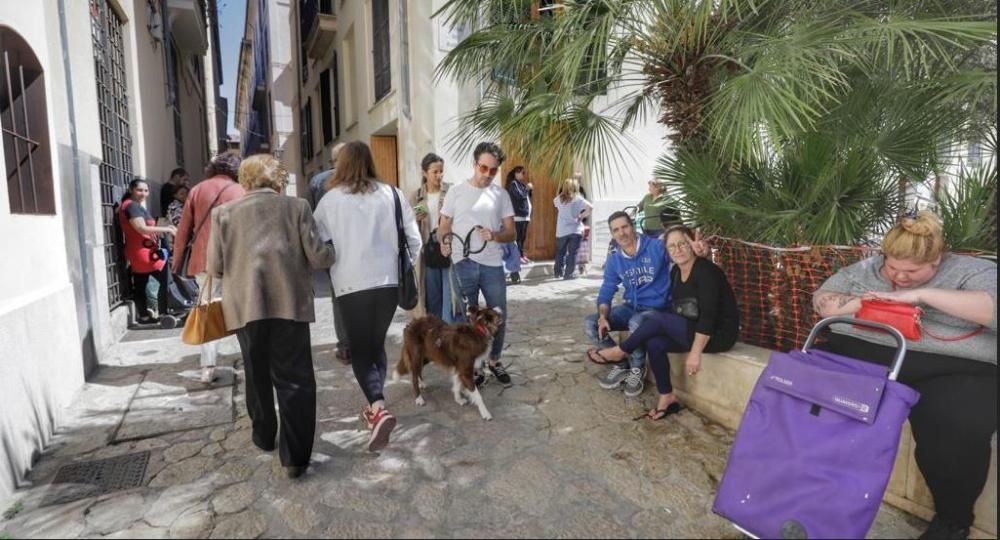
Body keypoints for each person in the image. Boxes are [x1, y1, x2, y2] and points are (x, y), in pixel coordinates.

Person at [812, 211, 996, 540]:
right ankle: (812, 493)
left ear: (937, 258)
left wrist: (920, 296)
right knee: (814, 410)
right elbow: (823, 302)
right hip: (865, 357)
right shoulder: (866, 270)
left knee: (955, 431)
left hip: (950, 367)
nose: (900, 277)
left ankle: (952, 520)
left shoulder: (973, 271)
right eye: (892, 267)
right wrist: (858, 303)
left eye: (912, 271)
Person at [207, 154, 334, 479]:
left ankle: (264, 436)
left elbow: (216, 267)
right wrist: (334, 250)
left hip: (245, 308)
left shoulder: (223, 214)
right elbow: (319, 258)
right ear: (278, 181)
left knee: (256, 371)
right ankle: (294, 458)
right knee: (295, 379)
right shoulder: (297, 208)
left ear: (245, 181)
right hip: (289, 306)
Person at [313, 141, 421, 452]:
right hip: (388, 283)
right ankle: (377, 407)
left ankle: (377, 408)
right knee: (375, 345)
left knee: (359, 349)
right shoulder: (393, 194)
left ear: (341, 164)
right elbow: (414, 241)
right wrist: (402, 267)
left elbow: (317, 247)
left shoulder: (330, 201)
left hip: (350, 285)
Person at [590, 225, 739, 418]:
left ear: (692, 244)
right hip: (692, 327)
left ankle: (621, 351)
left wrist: (695, 353)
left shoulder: (706, 271)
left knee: (658, 320)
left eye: (683, 244)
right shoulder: (676, 272)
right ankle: (667, 396)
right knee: (655, 342)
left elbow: (709, 315)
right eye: (672, 246)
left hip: (718, 334)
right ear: (667, 251)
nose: (678, 249)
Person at [438, 142, 517, 387]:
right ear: (474, 164)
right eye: (483, 167)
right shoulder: (456, 192)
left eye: (493, 170)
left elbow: (512, 233)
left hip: (492, 264)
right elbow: (443, 225)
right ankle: (475, 365)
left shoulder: (500, 195)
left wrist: (494, 235)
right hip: (462, 263)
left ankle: (494, 361)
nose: (487, 174)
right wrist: (444, 242)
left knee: (498, 315)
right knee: (466, 319)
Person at [173, 151, 246, 383]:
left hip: (204, 260)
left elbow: (183, 231)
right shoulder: (240, 190)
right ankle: (250, 358)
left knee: (206, 312)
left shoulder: (197, 190)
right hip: (238, 260)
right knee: (243, 310)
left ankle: (208, 368)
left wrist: (176, 264)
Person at [583, 211, 672, 397]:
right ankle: (622, 363)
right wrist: (602, 316)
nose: (621, 233)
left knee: (635, 323)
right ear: (612, 234)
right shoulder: (615, 260)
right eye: (616, 230)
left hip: (657, 310)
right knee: (590, 323)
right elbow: (607, 290)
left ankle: (637, 369)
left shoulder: (656, 247)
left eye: (624, 227)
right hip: (631, 307)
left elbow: (681, 255)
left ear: (632, 226)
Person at [307, 142, 351, 363]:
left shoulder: (317, 181)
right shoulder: (357, 181)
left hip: (330, 248)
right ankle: (361, 341)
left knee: (339, 296)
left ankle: (345, 347)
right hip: (355, 245)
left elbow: (311, 220)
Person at [119, 178, 177, 325]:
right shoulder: (131, 206)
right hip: (144, 252)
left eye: (146, 190)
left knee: (140, 283)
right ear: (131, 190)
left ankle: (144, 316)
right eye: (139, 190)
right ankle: (164, 313)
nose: (143, 193)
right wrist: (167, 229)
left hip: (139, 250)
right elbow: (141, 228)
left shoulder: (133, 205)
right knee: (166, 280)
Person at [410, 152, 455, 322]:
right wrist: (415, 220)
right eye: (435, 172)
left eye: (441, 171)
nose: (439, 175)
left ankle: (449, 333)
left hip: (449, 248)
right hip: (428, 252)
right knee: (433, 297)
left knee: (450, 296)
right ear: (424, 173)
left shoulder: (451, 191)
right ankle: (436, 335)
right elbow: (408, 228)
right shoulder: (416, 197)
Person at [553, 177, 592, 280]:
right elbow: (590, 207)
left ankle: (558, 273)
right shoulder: (578, 198)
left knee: (560, 252)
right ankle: (569, 274)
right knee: (572, 253)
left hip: (561, 231)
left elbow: (555, 205)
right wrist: (582, 216)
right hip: (575, 230)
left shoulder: (558, 199)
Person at [505, 165, 533, 268]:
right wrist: (527, 188)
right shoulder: (513, 184)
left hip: (524, 216)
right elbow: (520, 196)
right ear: (516, 173)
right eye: (522, 173)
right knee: (518, 239)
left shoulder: (520, 184)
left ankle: (521, 255)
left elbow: (526, 197)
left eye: (524, 173)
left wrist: (528, 190)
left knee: (522, 238)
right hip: (518, 217)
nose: (524, 175)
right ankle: (518, 257)